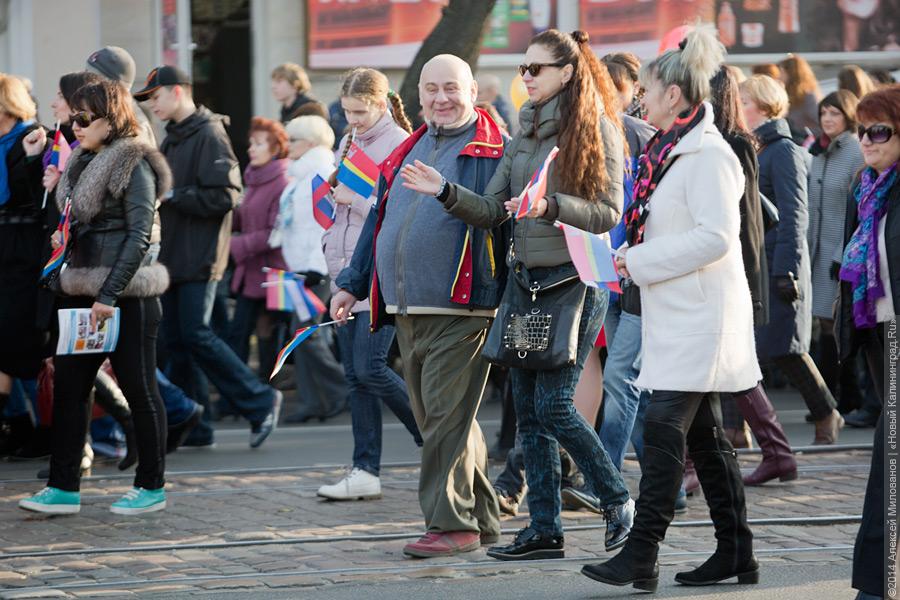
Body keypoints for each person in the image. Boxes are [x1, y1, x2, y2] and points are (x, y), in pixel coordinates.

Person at [400, 30, 634, 561]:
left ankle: (617, 500)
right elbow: (490, 210)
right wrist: (443, 190)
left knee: (553, 406)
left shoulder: (593, 127)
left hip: (573, 282)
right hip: (525, 283)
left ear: (567, 73)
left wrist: (549, 206)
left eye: (537, 69)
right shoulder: (524, 132)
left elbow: (607, 213)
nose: (525, 77)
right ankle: (544, 531)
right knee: (527, 414)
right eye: (523, 68)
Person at [581, 25, 759, 591]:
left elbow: (716, 238)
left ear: (675, 96)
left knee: (662, 428)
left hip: (702, 320)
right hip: (680, 315)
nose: (641, 99)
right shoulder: (671, 151)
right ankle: (737, 552)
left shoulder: (707, 155)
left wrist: (641, 259)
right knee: (705, 440)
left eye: (649, 91)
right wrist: (635, 255)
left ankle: (642, 552)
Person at [332, 54, 507, 558]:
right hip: (408, 306)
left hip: (464, 306)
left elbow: (498, 217)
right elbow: (378, 221)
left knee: (444, 418)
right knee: (446, 416)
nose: (440, 98)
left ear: (472, 90)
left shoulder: (494, 148)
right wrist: (353, 280)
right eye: (431, 89)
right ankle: (484, 519)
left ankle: (451, 525)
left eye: (451, 87)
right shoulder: (412, 144)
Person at [18, 80, 171, 515]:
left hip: (125, 296)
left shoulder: (133, 160)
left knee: (140, 390)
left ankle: (151, 486)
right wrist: (63, 240)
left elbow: (139, 235)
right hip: (80, 289)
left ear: (113, 117)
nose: (76, 125)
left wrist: (110, 293)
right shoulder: (83, 158)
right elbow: (82, 220)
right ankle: (63, 486)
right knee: (70, 388)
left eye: (86, 118)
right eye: (75, 116)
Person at [134, 65, 282, 449]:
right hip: (173, 258)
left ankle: (260, 400)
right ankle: (194, 424)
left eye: (155, 96)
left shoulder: (209, 133)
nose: (152, 105)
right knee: (177, 340)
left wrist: (174, 196)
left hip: (201, 257)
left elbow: (227, 196)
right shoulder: (173, 139)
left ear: (177, 91)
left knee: (197, 335)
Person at [316, 68, 422, 500]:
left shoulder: (398, 143)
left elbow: (397, 210)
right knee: (356, 377)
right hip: (344, 269)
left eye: (360, 111)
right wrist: (328, 220)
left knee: (372, 368)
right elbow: (346, 207)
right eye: (347, 112)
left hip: (377, 271)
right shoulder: (350, 141)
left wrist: (353, 200)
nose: (353, 119)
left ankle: (435, 436)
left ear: (381, 104)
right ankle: (365, 469)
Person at [741, 74, 844, 445]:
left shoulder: (781, 149)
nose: (739, 107)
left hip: (778, 264)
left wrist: (785, 269)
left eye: (745, 101)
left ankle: (825, 412)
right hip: (763, 264)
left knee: (785, 349)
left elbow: (794, 215)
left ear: (764, 106)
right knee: (758, 349)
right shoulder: (761, 148)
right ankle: (741, 430)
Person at [708, 65, 797, 487]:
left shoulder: (736, 143)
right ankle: (774, 451)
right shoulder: (721, 142)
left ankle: (774, 451)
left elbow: (751, 222)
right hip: (725, 272)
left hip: (734, 272)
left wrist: (767, 277)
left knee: (734, 367)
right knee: (730, 368)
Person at [836, 83, 900, 600]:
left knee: (889, 453)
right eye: (862, 131)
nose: (867, 140)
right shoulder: (865, 186)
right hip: (880, 333)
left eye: (879, 130)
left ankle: (875, 586)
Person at [273, 116, 348, 424]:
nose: (288, 146)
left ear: (312, 143)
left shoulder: (318, 173)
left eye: (294, 140)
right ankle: (314, 399)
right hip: (297, 268)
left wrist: (319, 266)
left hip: (313, 269)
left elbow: (324, 223)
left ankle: (341, 388)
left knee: (305, 334)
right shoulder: (302, 175)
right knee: (299, 334)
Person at [807, 91, 870, 425]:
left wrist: (840, 254)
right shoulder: (818, 152)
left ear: (848, 116)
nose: (828, 119)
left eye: (835, 113)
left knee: (838, 326)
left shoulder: (854, 151)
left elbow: (858, 209)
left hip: (841, 253)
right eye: (823, 113)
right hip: (817, 253)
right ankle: (836, 400)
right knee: (825, 325)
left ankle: (845, 398)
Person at [0, 74, 47, 451]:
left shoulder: (33, 138)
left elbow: (36, 198)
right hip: (4, 247)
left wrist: (32, 160)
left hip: (24, 250)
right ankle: (19, 427)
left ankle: (48, 430)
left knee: (21, 344)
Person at [226, 117, 290, 379]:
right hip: (250, 270)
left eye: (259, 143)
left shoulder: (282, 181)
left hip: (274, 273)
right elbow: (247, 216)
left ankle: (264, 388)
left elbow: (275, 232)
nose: (251, 148)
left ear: (275, 148)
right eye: (251, 142)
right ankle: (242, 392)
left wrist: (234, 244)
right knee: (239, 332)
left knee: (268, 332)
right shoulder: (253, 177)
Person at [86, 46, 156, 146]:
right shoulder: (105, 115)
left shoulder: (134, 125)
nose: (86, 85)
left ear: (114, 87)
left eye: (93, 79)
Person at [778, 55, 821, 144]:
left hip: (806, 147)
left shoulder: (807, 97)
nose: (779, 77)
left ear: (791, 74)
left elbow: (821, 124)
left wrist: (803, 134)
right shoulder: (785, 95)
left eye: (781, 72)